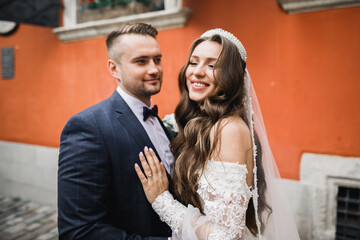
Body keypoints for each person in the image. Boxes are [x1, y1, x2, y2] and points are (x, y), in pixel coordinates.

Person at [135, 29, 300, 239]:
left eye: (212, 65)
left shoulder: (229, 129)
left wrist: (161, 200)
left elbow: (226, 235)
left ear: (231, 76)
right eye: (193, 63)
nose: (197, 72)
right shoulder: (205, 124)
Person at [58, 23, 174, 239]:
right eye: (141, 61)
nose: (154, 69)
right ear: (114, 68)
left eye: (157, 59)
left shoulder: (160, 120)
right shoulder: (88, 127)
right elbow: (79, 231)